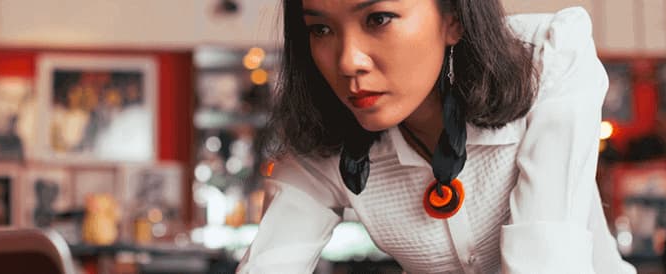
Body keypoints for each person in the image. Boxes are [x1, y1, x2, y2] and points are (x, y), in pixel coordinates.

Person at [240, 0, 634, 273]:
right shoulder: (324, 142)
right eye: (320, 28)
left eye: (378, 18)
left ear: (453, 18)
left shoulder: (548, 62)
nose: (347, 61)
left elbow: (546, 265)